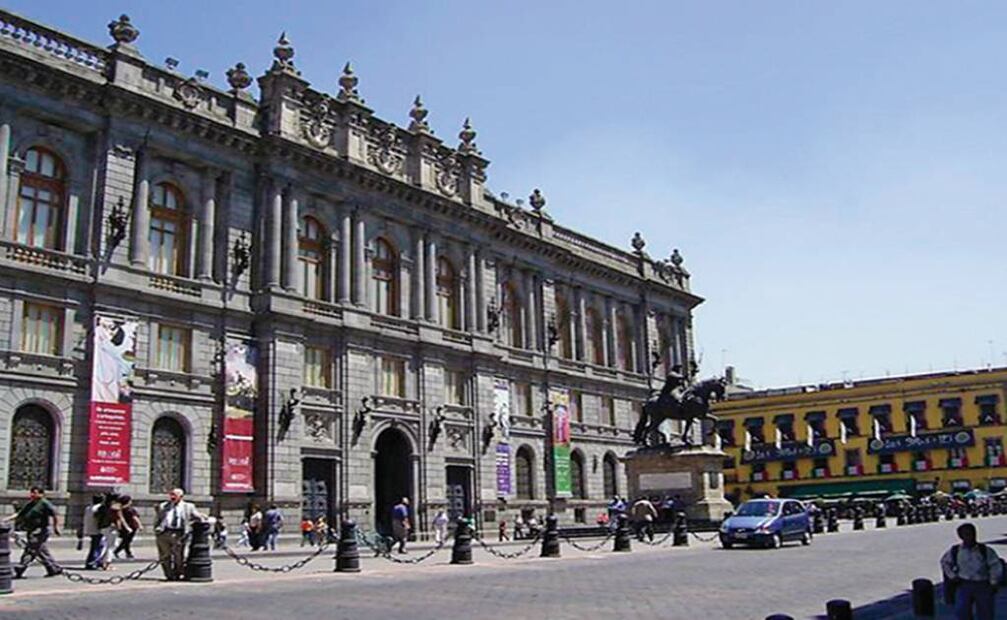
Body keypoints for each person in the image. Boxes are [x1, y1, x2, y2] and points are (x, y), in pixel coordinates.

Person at [941, 522, 1003, 620]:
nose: (971, 537)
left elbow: (995, 565)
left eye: (972, 533)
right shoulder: (956, 551)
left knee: (985, 612)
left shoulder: (985, 550)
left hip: (983, 583)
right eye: (967, 534)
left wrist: (993, 581)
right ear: (961, 536)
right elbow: (945, 563)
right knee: (962, 611)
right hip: (963, 584)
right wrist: (952, 576)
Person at [5, 486, 62, 578]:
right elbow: (19, 514)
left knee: (31, 549)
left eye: (35, 493)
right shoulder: (30, 504)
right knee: (41, 550)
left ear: (41, 494)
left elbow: (55, 514)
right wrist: (6, 519)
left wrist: (56, 527)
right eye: (31, 492)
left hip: (39, 531)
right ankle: (52, 568)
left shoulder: (44, 503)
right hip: (31, 530)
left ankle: (21, 568)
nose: (32, 494)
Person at [154, 488, 205, 581]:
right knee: (164, 556)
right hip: (164, 533)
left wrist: (203, 518)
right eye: (171, 494)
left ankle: (178, 573)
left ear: (181, 497)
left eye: (175, 495)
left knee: (179, 556)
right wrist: (157, 530)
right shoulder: (163, 506)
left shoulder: (188, 506)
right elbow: (158, 519)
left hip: (179, 534)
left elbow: (197, 516)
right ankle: (169, 575)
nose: (172, 497)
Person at [82, 494, 105, 570]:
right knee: (97, 547)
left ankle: (95, 562)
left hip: (90, 529)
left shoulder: (88, 508)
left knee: (95, 546)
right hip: (97, 530)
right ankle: (93, 562)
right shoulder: (99, 508)